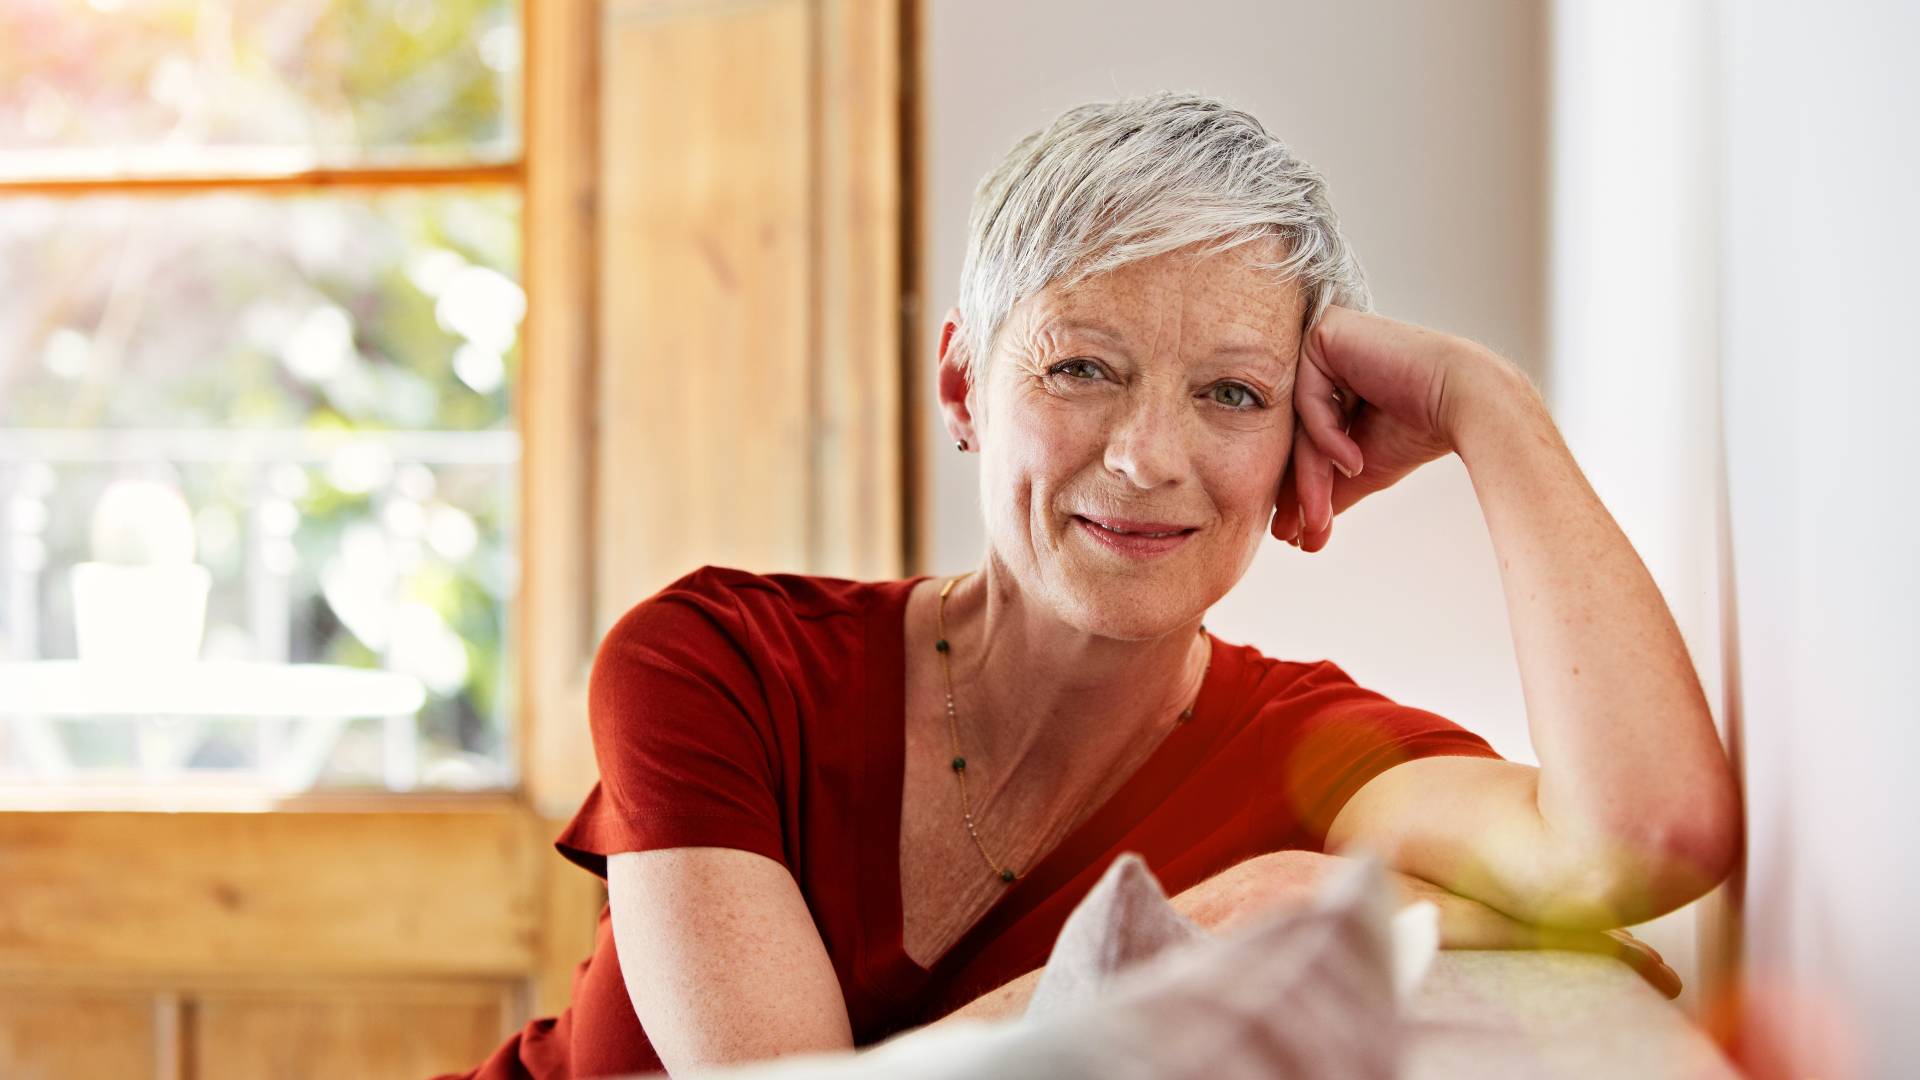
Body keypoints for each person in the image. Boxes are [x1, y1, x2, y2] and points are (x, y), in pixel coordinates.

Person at [447, 92, 1739, 1079]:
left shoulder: (1319, 757)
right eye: (1081, 369)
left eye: (1232, 393)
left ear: (1299, 438)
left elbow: (1644, 841)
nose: (1145, 457)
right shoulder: (717, 662)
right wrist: (1224, 918)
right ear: (964, 386)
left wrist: (1485, 407)